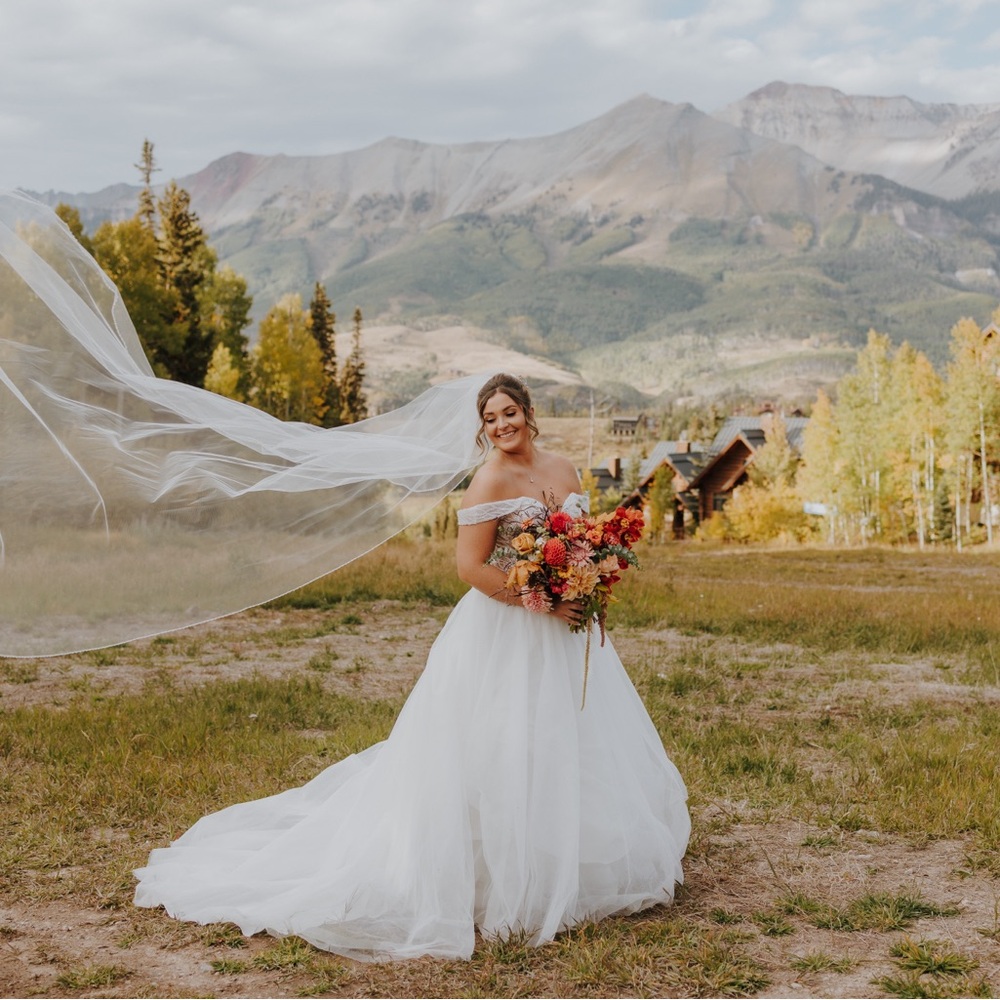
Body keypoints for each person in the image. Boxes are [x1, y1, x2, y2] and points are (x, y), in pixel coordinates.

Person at [133, 372, 690, 961]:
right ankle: (492, 870)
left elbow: (579, 540)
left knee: (564, 739)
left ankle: (567, 859)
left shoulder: (566, 471)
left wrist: (586, 582)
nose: (501, 426)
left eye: (509, 413)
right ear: (483, 429)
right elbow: (471, 569)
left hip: (565, 629)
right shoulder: (488, 481)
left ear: (529, 412)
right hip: (508, 629)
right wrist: (545, 599)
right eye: (490, 419)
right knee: (498, 745)